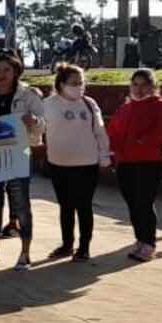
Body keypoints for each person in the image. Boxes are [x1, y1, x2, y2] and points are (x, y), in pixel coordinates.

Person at [0, 49, 45, 271]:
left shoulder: (29, 95)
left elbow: (43, 122)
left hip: (19, 155)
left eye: (7, 70)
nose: (2, 74)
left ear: (16, 71)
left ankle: (25, 253)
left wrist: (33, 120)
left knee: (21, 203)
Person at [108, 69, 162, 262]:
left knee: (144, 203)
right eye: (135, 84)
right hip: (125, 162)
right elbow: (113, 130)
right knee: (132, 203)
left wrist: (143, 140)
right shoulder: (125, 108)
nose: (139, 89)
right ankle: (140, 239)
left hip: (149, 162)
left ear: (153, 86)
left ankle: (149, 243)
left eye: (144, 84)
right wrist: (110, 149)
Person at [44, 64, 111, 262]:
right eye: (73, 83)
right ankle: (67, 244)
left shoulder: (89, 103)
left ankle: (84, 247)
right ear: (62, 84)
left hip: (87, 163)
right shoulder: (48, 104)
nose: (78, 87)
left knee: (84, 206)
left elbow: (99, 131)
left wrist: (104, 154)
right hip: (59, 163)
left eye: (81, 83)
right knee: (65, 206)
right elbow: (37, 127)